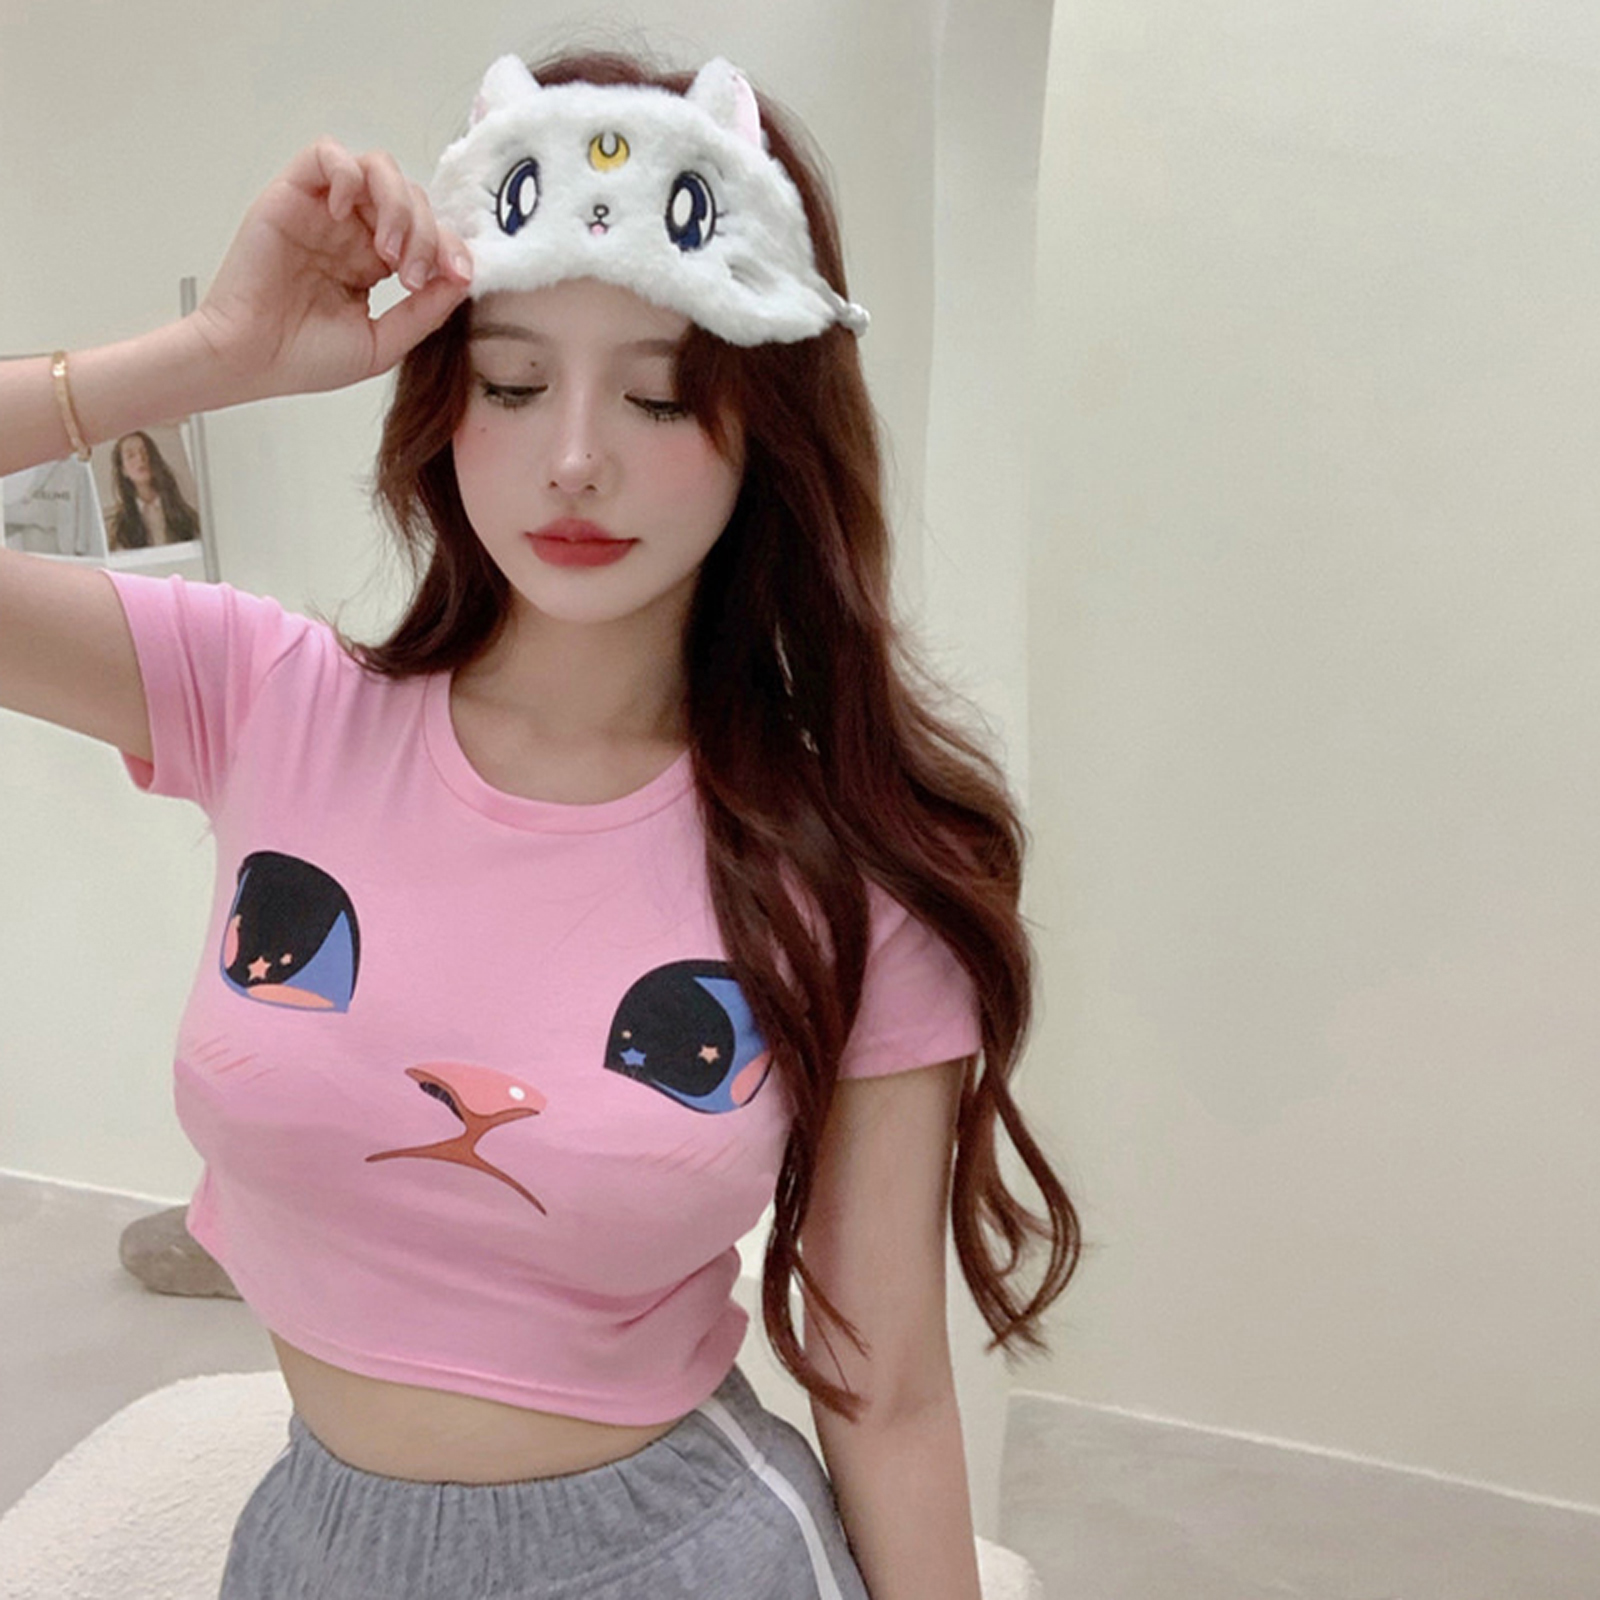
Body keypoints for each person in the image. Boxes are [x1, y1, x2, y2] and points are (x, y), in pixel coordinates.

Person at [0, 47, 1080, 1600]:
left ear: (764, 430)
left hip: (685, 1561)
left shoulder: (845, 861)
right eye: (511, 384)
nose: (575, 458)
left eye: (661, 394)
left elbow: (888, 1389)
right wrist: (211, 355)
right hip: (310, 1552)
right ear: (445, 403)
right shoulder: (267, 699)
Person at [105, 428, 202, 550]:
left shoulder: (184, 515)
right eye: (131, 456)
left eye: (145, 452)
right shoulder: (119, 528)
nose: (140, 459)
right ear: (123, 470)